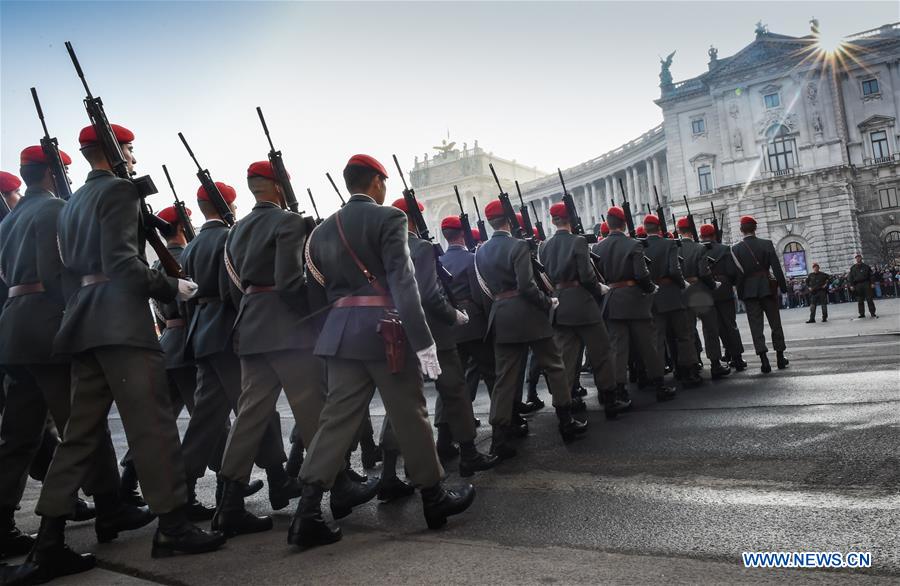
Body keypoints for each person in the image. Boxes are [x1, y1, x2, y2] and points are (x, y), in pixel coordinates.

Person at [22, 124, 224, 582]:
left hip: (84, 325)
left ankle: (48, 541)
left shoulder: (70, 204)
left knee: (78, 438)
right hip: (121, 327)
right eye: (130, 150)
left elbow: (64, 272)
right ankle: (172, 527)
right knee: (153, 428)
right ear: (118, 151)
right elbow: (122, 264)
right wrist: (171, 285)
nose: (133, 157)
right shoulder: (119, 191)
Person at [292, 154, 473, 548]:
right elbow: (404, 286)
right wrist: (424, 343)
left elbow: (315, 292)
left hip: (340, 336)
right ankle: (433, 497)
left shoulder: (320, 232)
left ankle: (306, 512)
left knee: (335, 422)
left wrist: (331, 334)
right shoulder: (389, 219)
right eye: (384, 182)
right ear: (376, 182)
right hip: (385, 332)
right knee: (410, 414)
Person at [0, 146, 123, 560]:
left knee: (18, 438)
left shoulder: (10, 219)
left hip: (15, 333)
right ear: (55, 174)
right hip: (49, 329)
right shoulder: (55, 211)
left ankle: (2, 524)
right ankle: (110, 507)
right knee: (83, 424)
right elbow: (61, 273)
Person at [214, 162, 335, 537]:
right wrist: (312, 316)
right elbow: (288, 282)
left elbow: (231, 289)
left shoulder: (234, 231)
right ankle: (338, 484)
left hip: (250, 325)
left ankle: (228, 504)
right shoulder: (289, 222)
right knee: (314, 409)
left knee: (250, 415)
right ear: (280, 187)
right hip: (286, 329)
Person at [384, 205, 496, 486]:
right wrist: (453, 315)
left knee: (402, 402)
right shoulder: (420, 247)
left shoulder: (380, 247)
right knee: (454, 391)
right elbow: (430, 294)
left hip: (395, 332)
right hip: (432, 331)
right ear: (412, 218)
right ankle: (469, 454)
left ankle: (390, 473)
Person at [474, 199, 588, 459]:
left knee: (504, 380)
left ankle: (499, 439)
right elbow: (526, 287)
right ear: (510, 220)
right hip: (529, 316)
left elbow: (485, 292)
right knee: (555, 366)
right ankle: (566, 422)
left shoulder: (480, 251)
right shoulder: (518, 246)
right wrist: (548, 302)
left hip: (501, 316)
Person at [539, 202, 627, 419]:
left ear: (553, 221)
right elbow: (587, 276)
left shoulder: (544, 245)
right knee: (601, 353)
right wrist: (599, 289)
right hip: (583, 306)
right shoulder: (578, 241)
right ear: (571, 218)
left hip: (559, 306)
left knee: (565, 360)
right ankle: (609, 399)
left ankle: (565, 406)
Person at [592, 207, 676, 402]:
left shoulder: (597, 247)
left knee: (617, 348)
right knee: (649, 345)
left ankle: (619, 389)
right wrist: (650, 288)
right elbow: (641, 274)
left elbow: (597, 277)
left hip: (612, 300)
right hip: (635, 300)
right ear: (624, 224)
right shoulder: (634, 245)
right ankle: (659, 385)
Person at [643, 215, 704, 386]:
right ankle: (689, 372)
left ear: (645, 228)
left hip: (654, 297)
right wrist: (681, 284)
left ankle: (658, 377)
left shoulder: (640, 245)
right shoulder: (669, 243)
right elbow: (675, 270)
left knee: (658, 338)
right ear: (660, 228)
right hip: (673, 294)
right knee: (683, 335)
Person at [730, 215, 788, 373]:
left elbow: (739, 275)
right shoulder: (767, 244)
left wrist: (741, 294)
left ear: (742, 230)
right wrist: (783, 287)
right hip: (767, 288)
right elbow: (776, 268)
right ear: (755, 228)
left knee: (756, 327)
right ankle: (780, 357)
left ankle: (764, 361)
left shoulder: (736, 249)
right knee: (775, 323)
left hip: (749, 292)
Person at [700, 223, 746, 370]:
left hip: (706, 292)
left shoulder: (697, 249)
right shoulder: (725, 249)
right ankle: (737, 358)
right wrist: (729, 283)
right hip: (724, 290)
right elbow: (734, 271)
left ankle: (719, 359)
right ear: (714, 235)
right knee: (730, 325)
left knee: (714, 328)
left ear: (701, 236)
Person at [848, 254, 877, 319]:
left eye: (859, 257)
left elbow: (871, 275)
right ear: (856, 259)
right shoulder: (853, 268)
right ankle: (861, 313)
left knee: (869, 299)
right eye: (857, 258)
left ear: (861, 258)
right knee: (860, 300)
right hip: (857, 285)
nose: (858, 259)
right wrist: (851, 285)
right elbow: (851, 277)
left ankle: (872, 312)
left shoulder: (866, 266)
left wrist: (872, 283)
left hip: (866, 283)